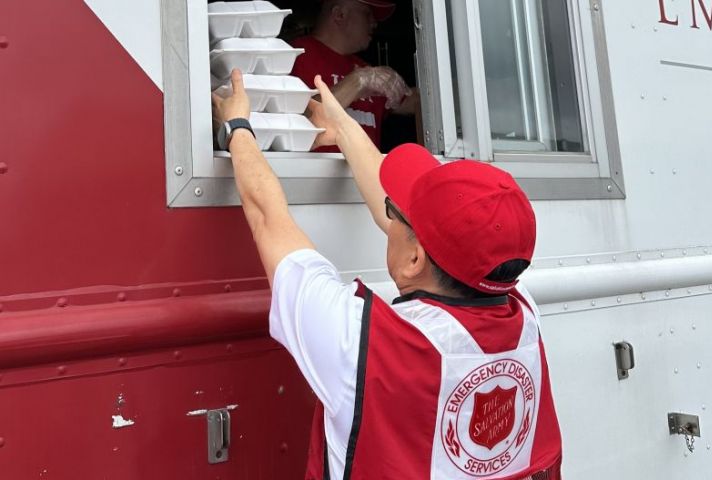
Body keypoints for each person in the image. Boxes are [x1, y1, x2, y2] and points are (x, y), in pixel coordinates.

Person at [212, 70, 561, 479]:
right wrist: (341, 124)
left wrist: (237, 125)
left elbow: (267, 216)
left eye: (396, 214)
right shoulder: (523, 313)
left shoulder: (358, 340)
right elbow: (437, 238)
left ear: (415, 260)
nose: (387, 213)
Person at [290, 0, 419, 151]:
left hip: (365, 173)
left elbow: (416, 102)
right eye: (367, 13)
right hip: (309, 173)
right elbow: (300, 124)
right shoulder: (293, 55)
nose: (374, 23)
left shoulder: (366, 70)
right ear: (340, 14)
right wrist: (358, 81)